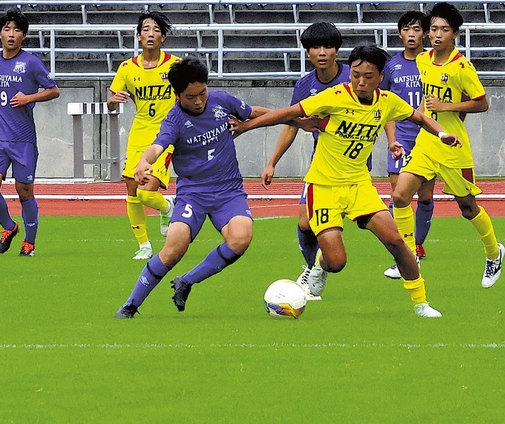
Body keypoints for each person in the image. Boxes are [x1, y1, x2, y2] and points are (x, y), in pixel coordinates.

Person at [232, 45, 462, 318]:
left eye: (368, 76)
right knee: (337, 262)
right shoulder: (336, 97)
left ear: (380, 77)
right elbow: (289, 113)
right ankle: (320, 264)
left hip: (359, 186)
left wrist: (442, 134)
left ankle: (421, 303)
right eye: (355, 75)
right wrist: (246, 126)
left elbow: (420, 117)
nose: (360, 81)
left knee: (397, 243)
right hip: (324, 187)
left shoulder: (387, 101)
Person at [115, 57, 271, 319]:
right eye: (191, 97)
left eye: (202, 93)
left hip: (228, 191)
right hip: (193, 195)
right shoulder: (173, 120)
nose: (199, 101)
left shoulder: (222, 100)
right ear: (177, 95)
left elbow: (254, 112)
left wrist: (295, 117)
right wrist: (144, 160)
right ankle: (130, 305)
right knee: (174, 248)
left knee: (241, 238)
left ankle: (186, 281)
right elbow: (158, 146)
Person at [391, 3, 505, 288]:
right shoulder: (423, 61)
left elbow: (482, 103)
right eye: (433, 29)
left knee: (467, 207)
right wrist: (421, 117)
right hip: (427, 142)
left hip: (454, 148)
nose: (437, 34)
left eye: (444, 29)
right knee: (400, 197)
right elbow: (426, 97)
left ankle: (494, 253)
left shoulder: (462, 66)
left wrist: (448, 106)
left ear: (455, 33)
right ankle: (409, 257)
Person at [261, 22, 350, 301]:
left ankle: (321, 267)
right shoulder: (304, 85)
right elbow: (291, 123)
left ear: (337, 50)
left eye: (327, 46)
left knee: (334, 226)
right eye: (315, 47)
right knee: (303, 223)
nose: (322, 52)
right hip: (319, 163)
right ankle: (313, 269)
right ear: (307, 52)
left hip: (351, 165)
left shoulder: (353, 77)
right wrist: (272, 161)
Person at [0, 10, 59, 257]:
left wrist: (29, 98)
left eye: (17, 30)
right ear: (0, 33)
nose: (11, 34)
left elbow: (54, 90)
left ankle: (29, 242)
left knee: (24, 192)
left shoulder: (31, 62)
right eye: (7, 29)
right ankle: (9, 227)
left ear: (24, 35)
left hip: (23, 140)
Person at [107, 12, 179, 260]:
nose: (150, 33)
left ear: (163, 38)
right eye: (146, 29)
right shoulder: (127, 68)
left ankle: (167, 206)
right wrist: (113, 101)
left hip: (165, 135)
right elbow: (111, 100)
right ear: (138, 36)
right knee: (131, 190)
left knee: (146, 192)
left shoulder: (175, 66)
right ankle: (144, 245)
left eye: (156, 29)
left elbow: (191, 95)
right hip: (138, 133)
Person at [381, 11, 436, 279]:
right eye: (406, 29)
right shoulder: (391, 66)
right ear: (400, 34)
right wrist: (391, 139)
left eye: (416, 29)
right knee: (398, 197)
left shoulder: (433, 63)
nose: (411, 34)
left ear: (425, 33)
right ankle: (404, 251)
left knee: (425, 195)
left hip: (427, 138)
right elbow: (385, 106)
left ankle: (418, 244)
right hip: (401, 138)